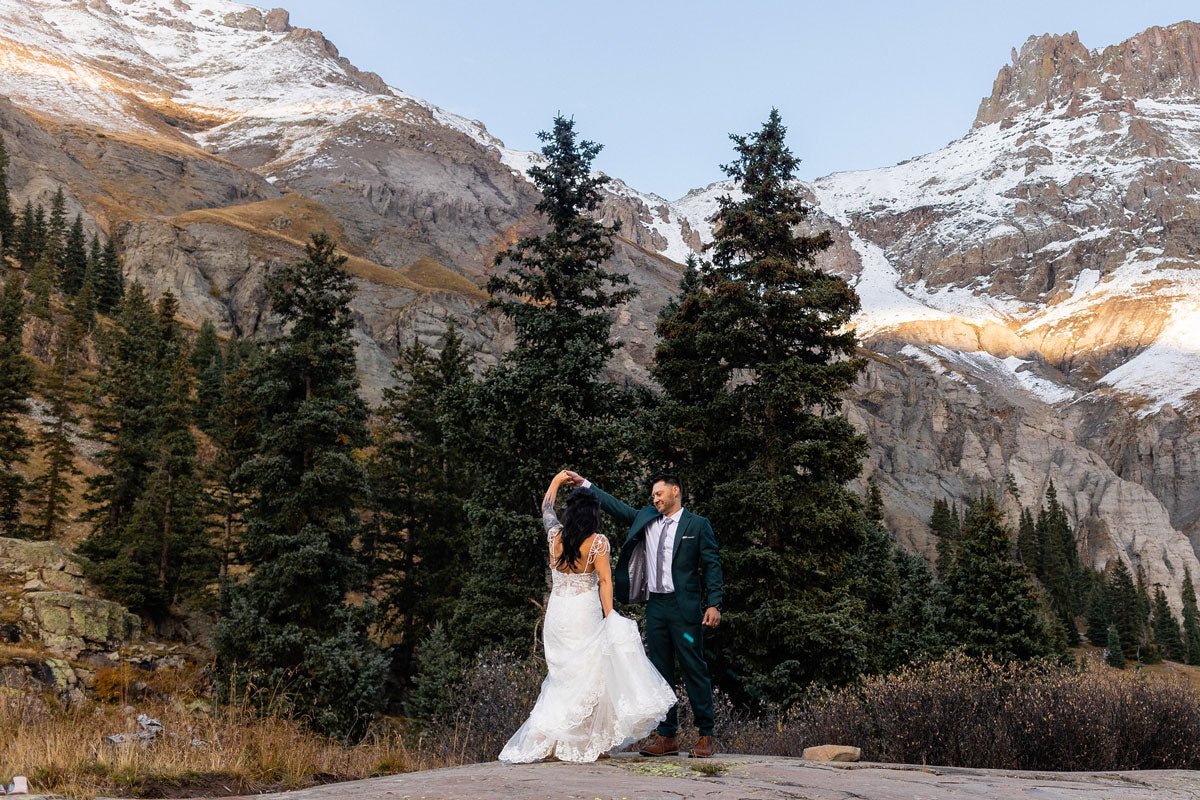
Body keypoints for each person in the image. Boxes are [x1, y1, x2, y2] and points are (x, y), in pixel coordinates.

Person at [499, 470, 676, 764]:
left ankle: (557, 742)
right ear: (593, 515)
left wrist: (555, 481)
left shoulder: (554, 535)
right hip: (584, 612)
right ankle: (591, 742)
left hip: (557, 615)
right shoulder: (598, 543)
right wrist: (610, 617)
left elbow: (546, 509)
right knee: (592, 675)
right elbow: (605, 582)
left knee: (563, 678)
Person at [565, 471, 723, 758]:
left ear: (675, 491)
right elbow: (616, 507)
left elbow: (712, 565)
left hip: (684, 611)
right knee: (659, 671)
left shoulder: (697, 525)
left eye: (659, 494)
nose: (655, 499)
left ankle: (706, 735)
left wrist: (714, 603)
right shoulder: (647, 518)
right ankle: (667, 736)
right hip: (656, 608)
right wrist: (586, 484)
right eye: (653, 496)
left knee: (693, 666)